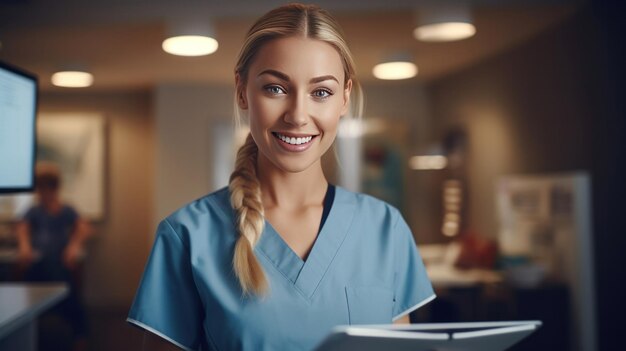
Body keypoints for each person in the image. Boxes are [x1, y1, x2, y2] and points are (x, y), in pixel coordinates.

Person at [127, 3, 434, 351]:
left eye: (321, 92)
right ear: (242, 91)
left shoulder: (385, 229)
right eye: (275, 88)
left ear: (344, 98)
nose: (298, 116)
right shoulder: (186, 237)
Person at [16, 162, 92, 351]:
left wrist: (73, 246)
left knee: (72, 297)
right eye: (40, 188)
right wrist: (24, 247)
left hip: (61, 263)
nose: (43, 193)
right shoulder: (34, 211)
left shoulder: (66, 210)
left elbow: (84, 228)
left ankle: (79, 340)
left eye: (47, 188)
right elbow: (22, 230)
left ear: (54, 189)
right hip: (39, 264)